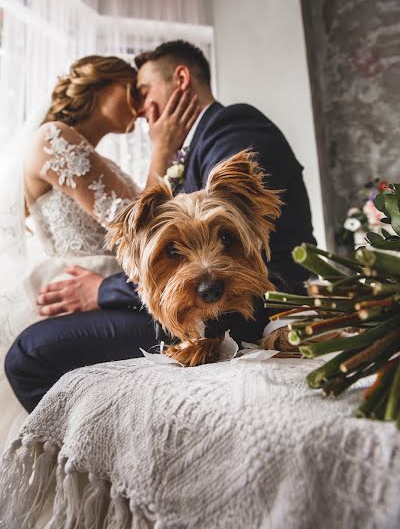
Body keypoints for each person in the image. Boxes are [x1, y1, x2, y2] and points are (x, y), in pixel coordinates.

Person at [5, 41, 316, 414]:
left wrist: (102, 290)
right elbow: (147, 235)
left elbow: (231, 228)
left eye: (143, 91)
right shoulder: (61, 143)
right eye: (132, 93)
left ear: (181, 80)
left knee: (32, 352)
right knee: (30, 351)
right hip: (133, 288)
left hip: (263, 298)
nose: (139, 108)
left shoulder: (230, 126)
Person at [0, 54, 198, 448]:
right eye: (134, 90)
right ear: (101, 84)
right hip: (84, 295)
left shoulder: (98, 157)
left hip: (117, 289)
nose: (143, 107)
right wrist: (163, 147)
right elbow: (137, 229)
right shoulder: (53, 138)